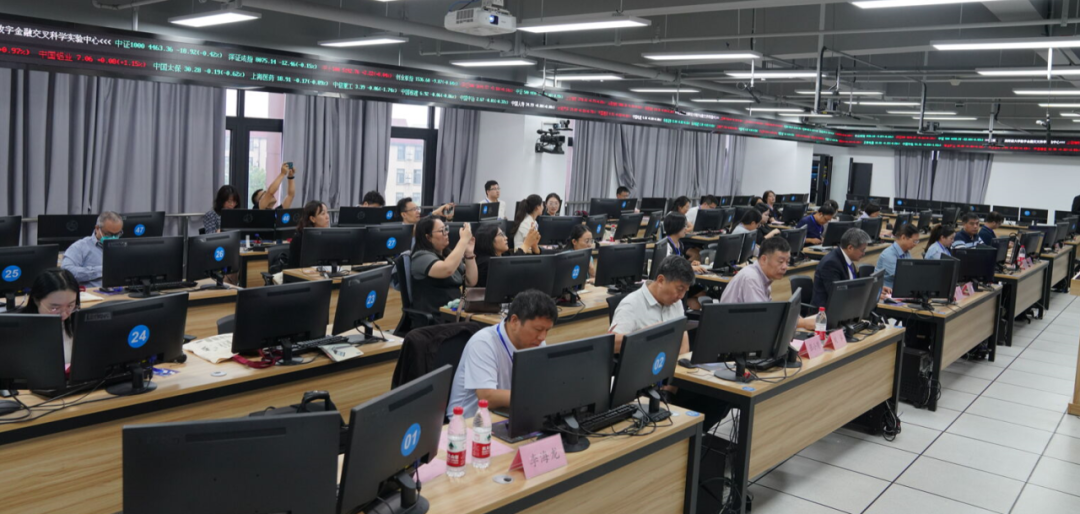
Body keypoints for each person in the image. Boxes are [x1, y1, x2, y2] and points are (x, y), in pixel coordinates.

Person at [609, 256, 725, 429]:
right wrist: (648, 334)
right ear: (661, 280)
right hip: (642, 380)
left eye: (685, 290)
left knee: (720, 397)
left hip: (670, 378)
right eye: (679, 289)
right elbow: (612, 343)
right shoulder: (631, 305)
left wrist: (674, 380)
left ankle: (696, 437)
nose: (681, 296)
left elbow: (683, 338)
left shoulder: (675, 302)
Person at [447, 290, 557, 418]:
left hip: (508, 413)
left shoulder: (537, 343)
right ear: (514, 321)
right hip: (468, 421)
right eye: (538, 329)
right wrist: (537, 397)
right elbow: (487, 397)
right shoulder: (483, 343)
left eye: (547, 330)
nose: (542, 337)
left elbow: (540, 384)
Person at [719, 238, 817, 330]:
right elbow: (762, 319)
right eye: (780, 262)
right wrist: (802, 323)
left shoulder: (763, 277)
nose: (785, 267)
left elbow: (769, 312)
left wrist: (794, 318)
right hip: (732, 333)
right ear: (763, 259)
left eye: (787, 262)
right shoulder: (751, 278)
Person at [410, 216, 478, 320]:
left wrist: (469, 253)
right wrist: (463, 240)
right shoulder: (420, 257)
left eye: (446, 229)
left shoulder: (448, 255)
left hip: (455, 313)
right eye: (442, 230)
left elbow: (471, 281)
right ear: (428, 237)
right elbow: (447, 270)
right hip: (436, 317)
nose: (446, 233)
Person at [17, 268, 79, 364]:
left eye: (70, 305)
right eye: (55, 308)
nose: (64, 314)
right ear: (36, 301)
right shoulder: (18, 330)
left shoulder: (78, 323)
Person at [812, 228, 873, 308]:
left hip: (845, 306)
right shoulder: (830, 264)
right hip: (827, 311)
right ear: (850, 248)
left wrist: (871, 290)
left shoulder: (847, 259)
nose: (864, 253)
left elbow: (853, 286)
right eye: (862, 250)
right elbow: (837, 294)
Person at [62, 211, 123, 288]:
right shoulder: (80, 247)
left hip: (121, 292)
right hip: (93, 293)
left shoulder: (123, 247)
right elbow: (66, 272)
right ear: (97, 228)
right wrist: (103, 270)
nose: (113, 238)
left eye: (117, 234)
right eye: (108, 234)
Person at [473, 223, 539, 287]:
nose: (506, 238)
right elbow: (511, 268)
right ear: (489, 239)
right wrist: (526, 244)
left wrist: (534, 247)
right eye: (501, 235)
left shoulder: (502, 254)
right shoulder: (486, 262)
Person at [876, 223, 920, 289]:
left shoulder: (906, 252)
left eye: (917, 241)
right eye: (914, 241)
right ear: (903, 237)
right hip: (887, 291)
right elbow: (902, 277)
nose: (915, 244)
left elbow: (912, 271)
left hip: (900, 288)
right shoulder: (888, 254)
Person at [288, 200, 331, 268]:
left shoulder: (327, 236)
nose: (327, 216)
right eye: (323, 214)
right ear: (312, 219)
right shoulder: (300, 238)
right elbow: (296, 265)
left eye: (327, 213)